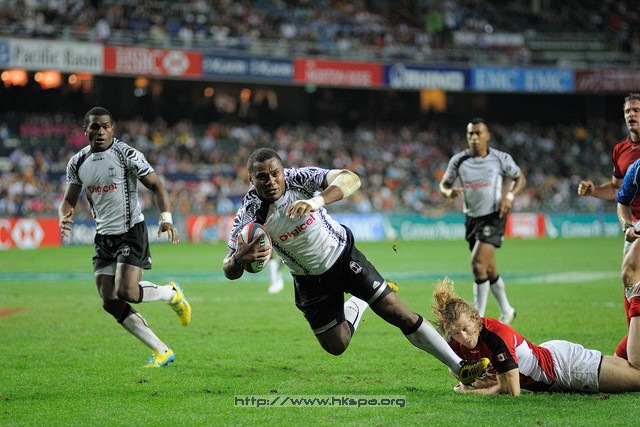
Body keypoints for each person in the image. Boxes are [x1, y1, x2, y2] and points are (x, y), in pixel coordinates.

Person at [222, 147, 489, 385]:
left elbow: (351, 178)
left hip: (343, 256)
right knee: (336, 345)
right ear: (251, 179)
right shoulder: (250, 213)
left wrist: (316, 201)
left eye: (275, 174)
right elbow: (228, 269)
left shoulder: (299, 179)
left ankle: (460, 367)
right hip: (309, 279)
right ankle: (360, 302)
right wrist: (238, 258)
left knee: (399, 313)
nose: (271, 181)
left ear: (283, 171)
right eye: (262, 177)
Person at [58, 107, 191, 368]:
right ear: (85, 130)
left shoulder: (126, 154)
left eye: (105, 126)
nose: (100, 131)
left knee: (126, 291)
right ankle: (161, 350)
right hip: (104, 237)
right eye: (95, 127)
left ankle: (170, 293)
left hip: (131, 232)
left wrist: (166, 218)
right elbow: (68, 200)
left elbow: (157, 185)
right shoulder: (77, 162)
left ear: (112, 129)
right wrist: (64, 215)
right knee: (109, 300)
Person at [432, 278, 640, 395]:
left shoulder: (496, 336)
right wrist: (473, 381)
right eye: (456, 333)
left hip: (565, 369)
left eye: (466, 328)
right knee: (628, 364)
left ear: (476, 319)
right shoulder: (455, 343)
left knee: (637, 376)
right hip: (550, 356)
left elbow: (512, 390)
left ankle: (636, 301)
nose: (463, 337)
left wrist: (468, 392)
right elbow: (456, 367)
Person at [439, 117, 526, 324]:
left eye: (478, 133)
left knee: (478, 265)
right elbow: (444, 185)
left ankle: (477, 319)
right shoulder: (458, 160)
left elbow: (520, 178)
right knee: (488, 269)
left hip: (494, 215)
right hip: (472, 219)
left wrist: (509, 196)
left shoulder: (500, 158)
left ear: (487, 135)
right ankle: (507, 311)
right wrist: (448, 192)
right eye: (471, 133)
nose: (474, 137)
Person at [578, 93, 640, 361]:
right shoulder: (621, 151)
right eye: (628, 111)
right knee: (629, 284)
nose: (631, 114)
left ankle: (631, 353)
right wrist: (594, 191)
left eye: (637, 110)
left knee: (630, 276)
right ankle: (634, 348)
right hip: (634, 228)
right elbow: (617, 192)